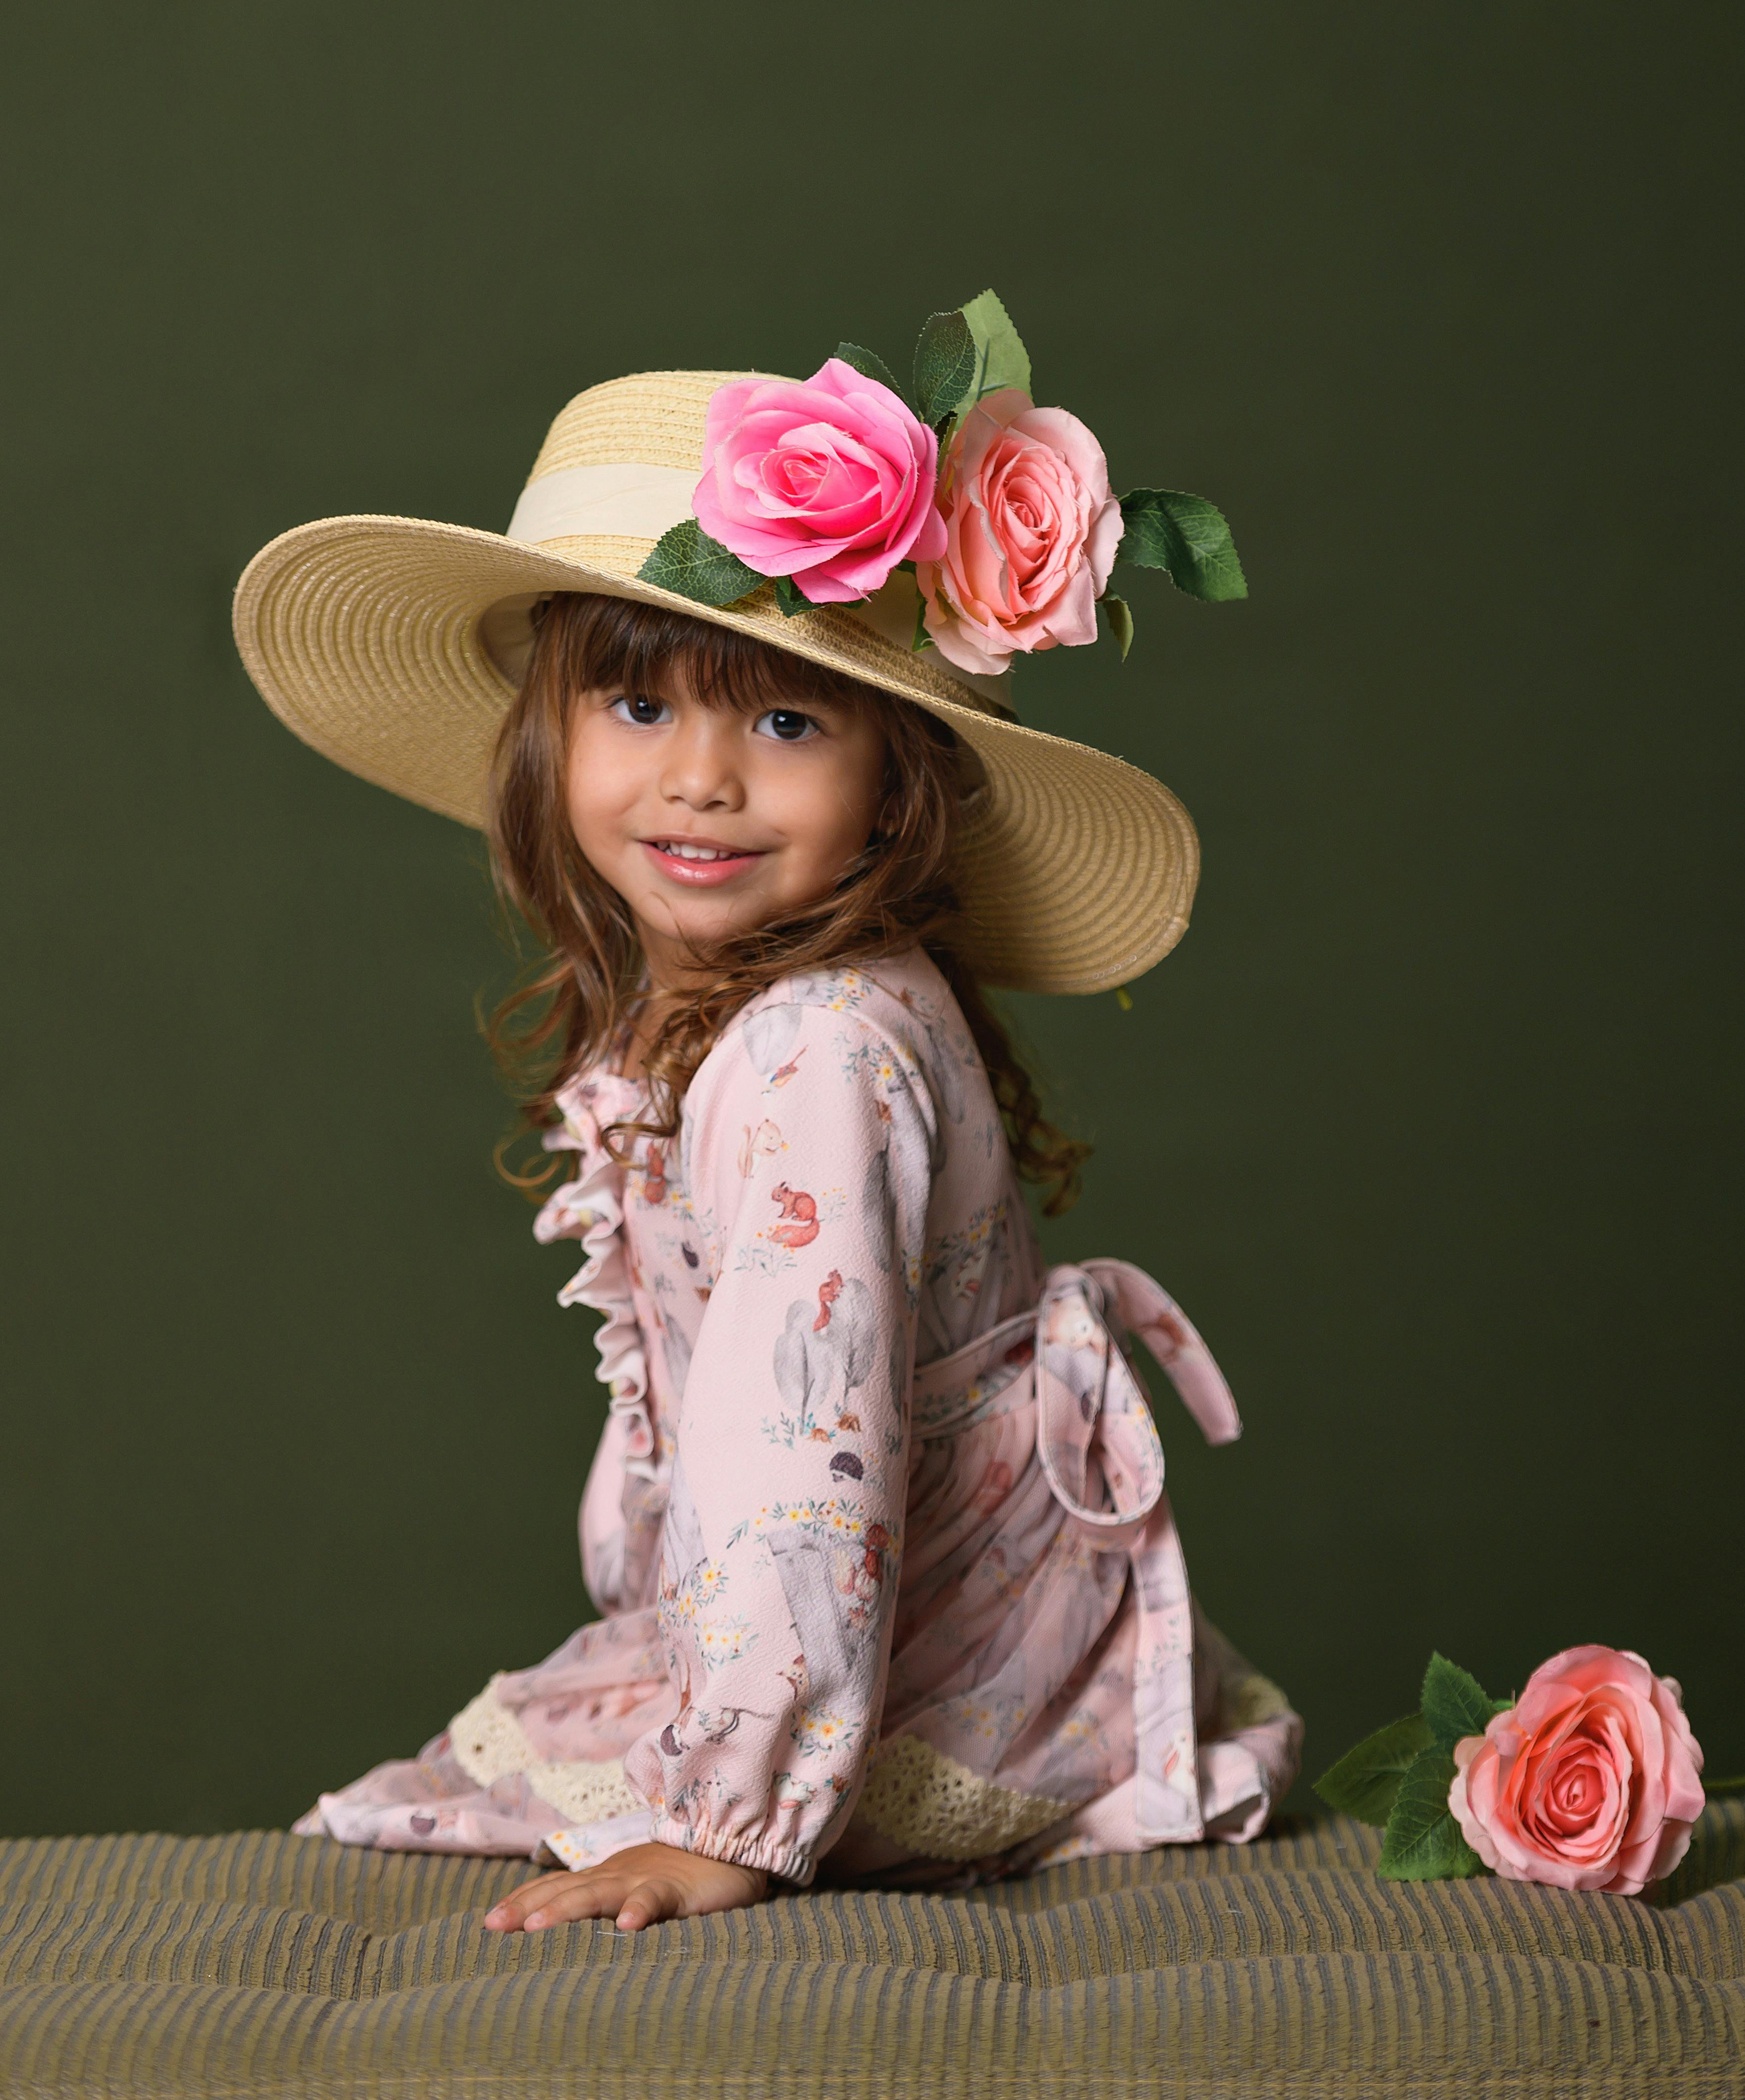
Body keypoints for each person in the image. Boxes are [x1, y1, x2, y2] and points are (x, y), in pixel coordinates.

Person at [231, 323, 1301, 1936]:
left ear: (898, 780)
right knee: (489, 1766)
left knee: (538, 1790)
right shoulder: (721, 1009)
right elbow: (714, 1390)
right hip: (829, 1618)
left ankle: (763, 1765)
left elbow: (797, 1447)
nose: (704, 780)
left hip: (928, 1655)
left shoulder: (818, 1050)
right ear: (550, 729)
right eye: (640, 704)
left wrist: (729, 1818)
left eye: (791, 723)